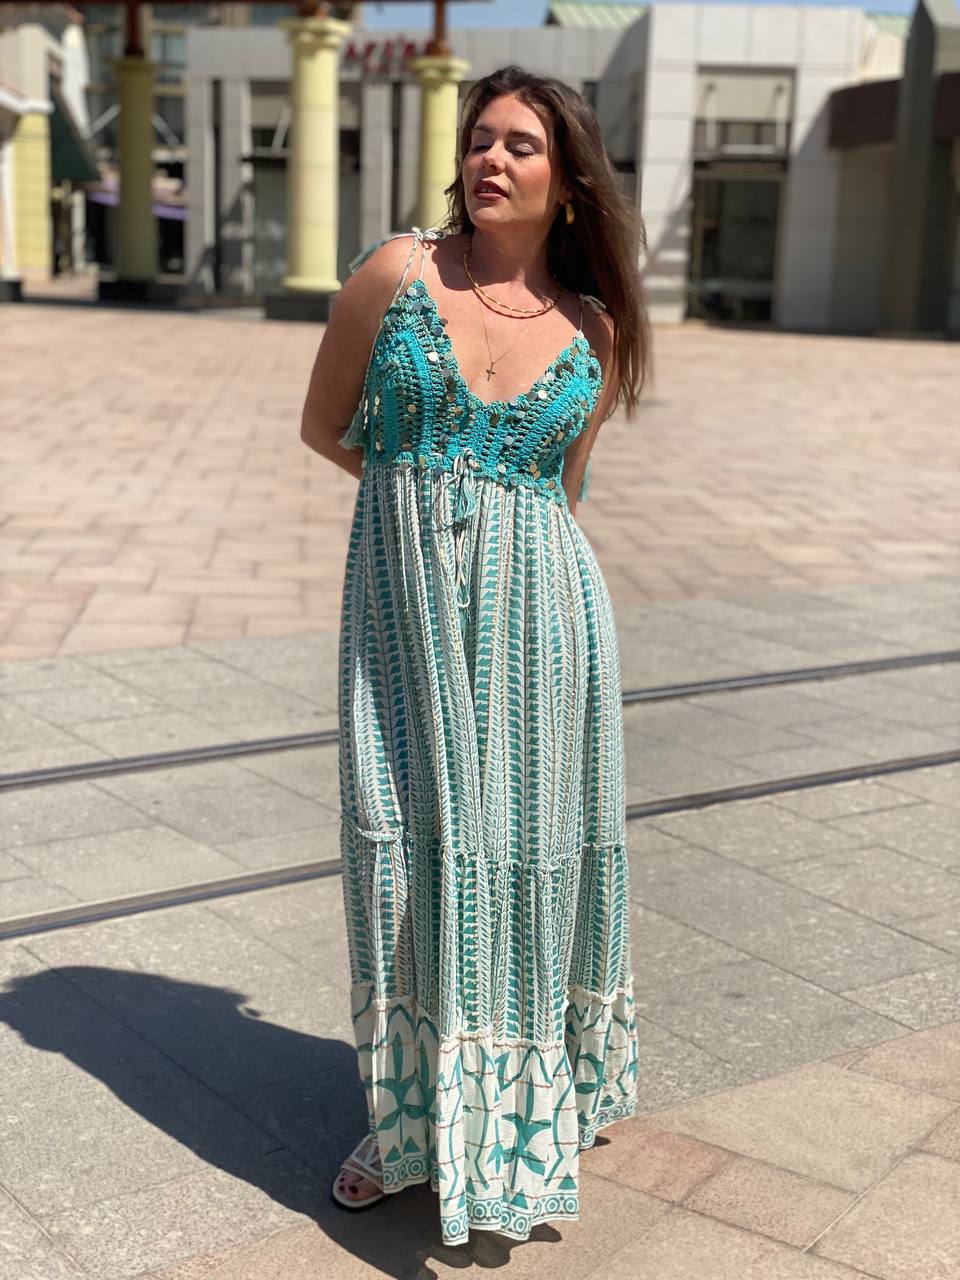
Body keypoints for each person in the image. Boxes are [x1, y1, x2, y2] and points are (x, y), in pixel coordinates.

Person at [298, 63, 651, 1248]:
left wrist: (493, 534)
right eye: (479, 138)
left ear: (568, 183)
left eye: (521, 145)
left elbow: (563, 492)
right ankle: (408, 1123)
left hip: (544, 626)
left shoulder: (594, 329)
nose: (490, 159)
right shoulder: (396, 274)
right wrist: (426, 506)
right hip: (404, 620)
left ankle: (527, 1102)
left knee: (524, 860)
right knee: (402, 857)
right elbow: (324, 424)